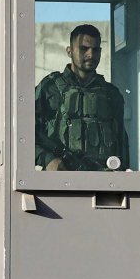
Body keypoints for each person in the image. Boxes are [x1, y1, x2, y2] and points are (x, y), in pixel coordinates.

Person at [35, 23, 129, 171]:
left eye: (95, 49)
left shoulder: (111, 93)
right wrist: (47, 159)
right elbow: (24, 133)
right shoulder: (50, 88)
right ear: (69, 51)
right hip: (61, 180)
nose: (90, 55)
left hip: (104, 181)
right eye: (84, 49)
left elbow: (121, 142)